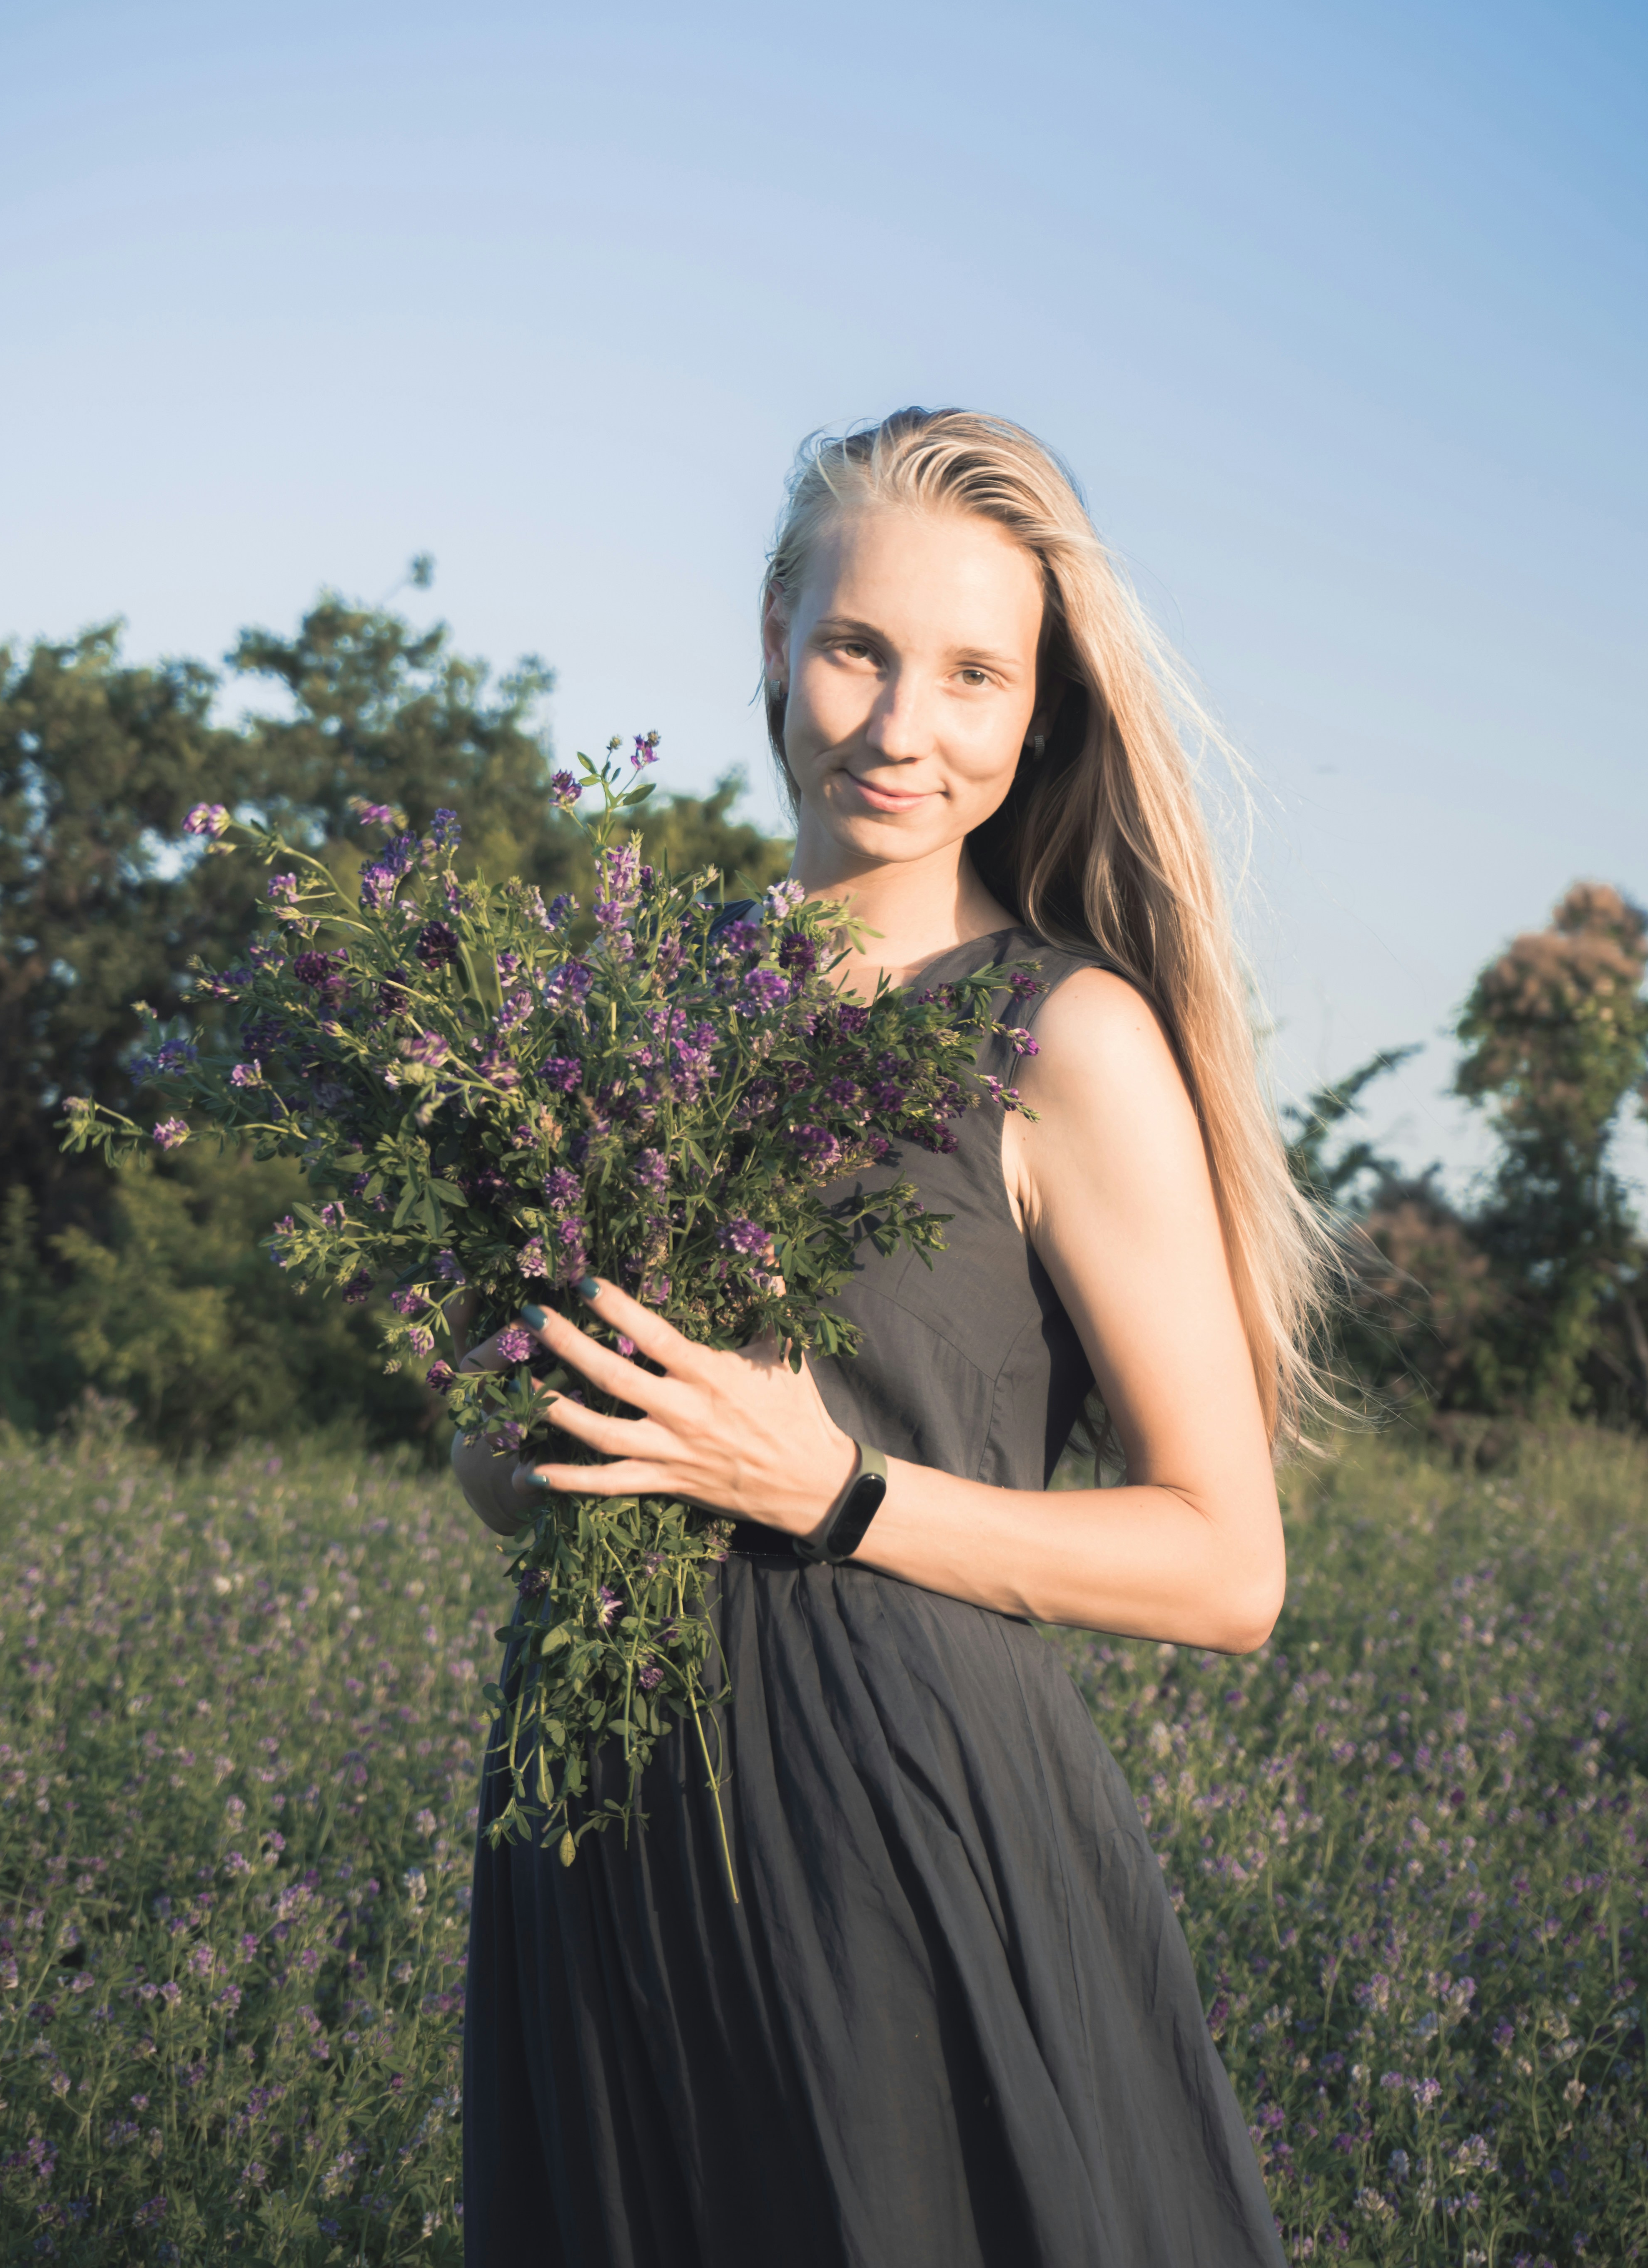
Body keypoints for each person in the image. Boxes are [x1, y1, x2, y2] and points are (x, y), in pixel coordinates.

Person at [452, 408, 1321, 2267]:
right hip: (596, 1832)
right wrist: (517, 1446)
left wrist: (831, 1489)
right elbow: (530, 1459)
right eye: (858, 649)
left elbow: (1226, 1564)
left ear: (1034, 714)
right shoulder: (639, 1015)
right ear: (774, 632)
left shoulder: (1062, 1039)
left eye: (972, 674)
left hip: (894, 1843)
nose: (902, 726)